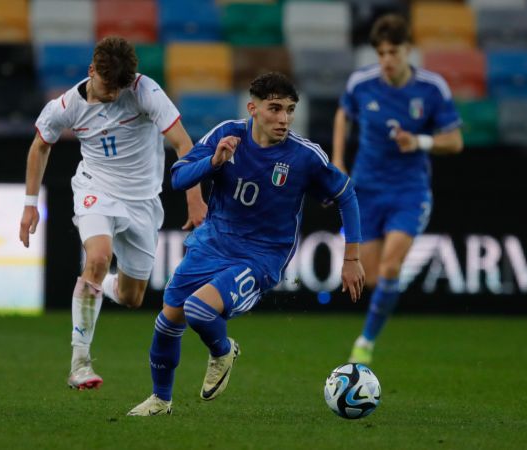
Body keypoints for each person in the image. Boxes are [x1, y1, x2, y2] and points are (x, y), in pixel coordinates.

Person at [127, 72, 365, 416]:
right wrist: (214, 162)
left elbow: (347, 194)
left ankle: (222, 350)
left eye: (289, 110)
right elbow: (179, 176)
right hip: (212, 243)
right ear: (253, 108)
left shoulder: (304, 155)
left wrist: (351, 257)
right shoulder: (227, 134)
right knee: (168, 320)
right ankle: (160, 400)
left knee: (198, 310)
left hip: (261, 256)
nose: (283, 118)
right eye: (274, 109)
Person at [18, 36, 207, 390]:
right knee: (99, 256)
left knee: (134, 297)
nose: (115, 95)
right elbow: (40, 146)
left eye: (121, 87)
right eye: (108, 87)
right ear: (92, 71)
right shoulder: (66, 105)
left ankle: (98, 285)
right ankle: (80, 363)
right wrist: (29, 206)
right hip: (96, 190)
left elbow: (184, 144)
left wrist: (195, 201)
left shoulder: (145, 92)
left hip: (143, 202)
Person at [332, 14, 463, 365]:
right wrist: (338, 160)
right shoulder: (361, 83)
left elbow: (454, 141)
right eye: (381, 53)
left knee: (391, 268)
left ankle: (366, 342)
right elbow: (343, 114)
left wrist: (419, 141)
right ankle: (374, 325)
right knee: (373, 276)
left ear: (409, 50)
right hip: (367, 190)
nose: (387, 60)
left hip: (409, 190)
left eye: (394, 52)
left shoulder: (432, 89)